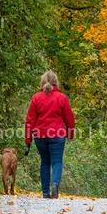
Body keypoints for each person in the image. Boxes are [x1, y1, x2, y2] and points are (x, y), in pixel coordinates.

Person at [24, 70, 75, 199]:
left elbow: (30, 120)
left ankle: (45, 192)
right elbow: (69, 118)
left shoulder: (36, 97)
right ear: (56, 82)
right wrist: (70, 133)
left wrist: (28, 138)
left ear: (43, 82)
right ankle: (55, 184)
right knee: (57, 161)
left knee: (45, 162)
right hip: (57, 135)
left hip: (40, 136)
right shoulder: (62, 98)